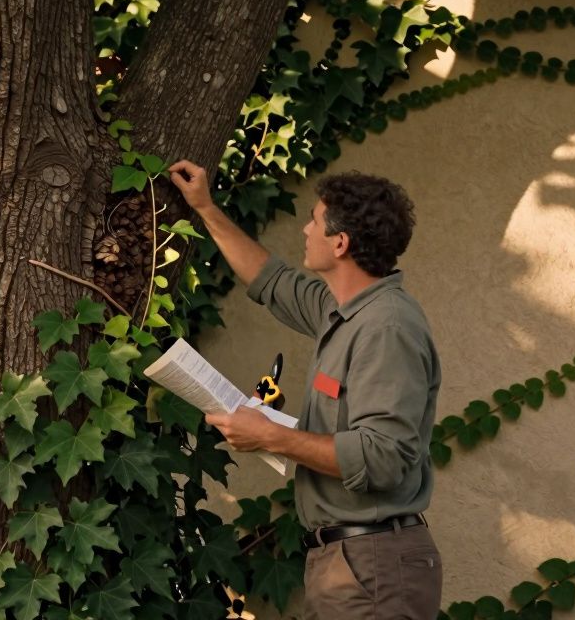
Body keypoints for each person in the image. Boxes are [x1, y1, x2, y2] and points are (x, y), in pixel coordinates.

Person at [168, 159, 443, 620]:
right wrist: (205, 208)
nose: (305, 229)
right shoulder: (343, 311)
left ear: (340, 243)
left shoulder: (386, 328)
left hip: (371, 568)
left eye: (314, 220)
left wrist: (271, 436)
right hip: (349, 563)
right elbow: (271, 280)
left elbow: (383, 457)